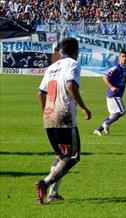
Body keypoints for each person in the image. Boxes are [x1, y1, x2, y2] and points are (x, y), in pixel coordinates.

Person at [35, 37, 91, 204]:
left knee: (61, 156)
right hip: (64, 116)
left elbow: (40, 93)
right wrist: (83, 107)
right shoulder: (73, 64)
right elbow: (70, 86)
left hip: (49, 116)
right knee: (73, 156)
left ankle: (53, 193)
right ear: (75, 52)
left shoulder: (52, 67)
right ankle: (45, 183)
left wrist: (45, 112)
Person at [93, 50, 126, 136]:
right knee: (121, 111)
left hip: (118, 95)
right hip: (113, 95)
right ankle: (106, 124)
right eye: (122, 56)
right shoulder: (115, 68)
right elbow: (105, 77)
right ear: (119, 57)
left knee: (113, 115)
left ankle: (98, 129)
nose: (124, 58)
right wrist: (111, 87)